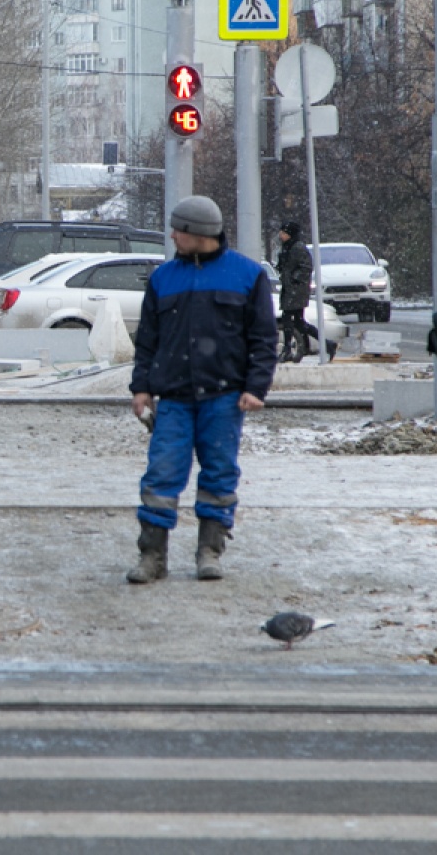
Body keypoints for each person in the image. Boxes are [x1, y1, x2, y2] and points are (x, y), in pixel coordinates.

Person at [128, 196, 278, 583]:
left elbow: (263, 338)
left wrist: (256, 387)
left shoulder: (247, 275)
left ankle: (210, 551)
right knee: (161, 475)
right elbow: (147, 341)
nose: (172, 236)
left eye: (178, 229)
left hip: (225, 399)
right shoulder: (162, 278)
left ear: (198, 233)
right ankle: (152, 557)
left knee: (219, 473)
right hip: (174, 399)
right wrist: (141, 388)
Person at [274, 221, 320, 363]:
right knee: (299, 323)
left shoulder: (297, 247)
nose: (280, 235)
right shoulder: (288, 247)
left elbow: (306, 267)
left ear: (290, 234)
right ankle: (327, 344)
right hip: (291, 289)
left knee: (288, 319)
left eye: (283, 233)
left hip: (296, 290)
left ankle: (288, 349)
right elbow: (287, 266)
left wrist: (293, 279)